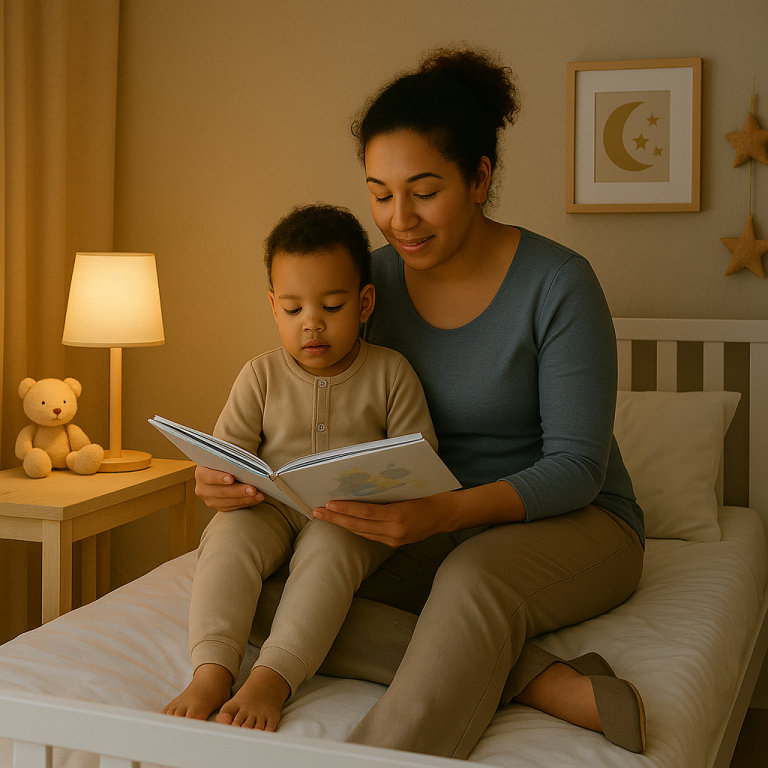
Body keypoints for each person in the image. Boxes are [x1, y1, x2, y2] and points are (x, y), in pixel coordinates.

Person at [194, 47, 647, 759]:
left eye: (423, 191)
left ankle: (386, 754)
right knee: (271, 588)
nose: (398, 219)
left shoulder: (559, 284)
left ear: (480, 178)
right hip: (420, 515)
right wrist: (226, 473)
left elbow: (578, 467)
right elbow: (305, 386)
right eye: (379, 193)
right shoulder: (365, 285)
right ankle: (533, 678)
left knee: (474, 577)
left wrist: (446, 511)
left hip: (570, 521)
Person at [163, 203, 438, 730]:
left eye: (331, 306)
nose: (311, 324)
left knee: (327, 548)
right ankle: (212, 670)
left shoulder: (392, 373)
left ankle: (273, 677)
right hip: (271, 507)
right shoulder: (260, 375)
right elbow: (226, 455)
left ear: (364, 303)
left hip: (352, 516)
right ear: (273, 307)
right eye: (292, 310)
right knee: (226, 538)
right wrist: (221, 484)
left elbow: (419, 460)